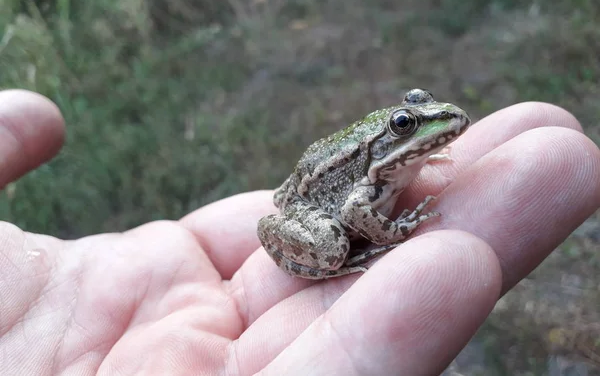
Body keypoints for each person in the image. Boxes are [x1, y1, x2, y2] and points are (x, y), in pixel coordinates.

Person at [0, 89, 599, 376]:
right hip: (314, 204)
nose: (431, 124)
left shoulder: (393, 160)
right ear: (389, 136)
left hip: (303, 184)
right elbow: (361, 210)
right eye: (407, 125)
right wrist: (394, 234)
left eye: (418, 114)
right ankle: (333, 263)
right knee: (342, 239)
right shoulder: (367, 180)